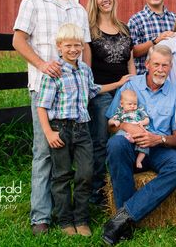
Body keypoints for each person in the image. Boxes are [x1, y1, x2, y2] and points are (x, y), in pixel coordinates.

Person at [12, 0, 91, 235]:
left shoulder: (78, 10)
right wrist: (43, 64)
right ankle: (41, 217)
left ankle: (71, 214)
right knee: (44, 151)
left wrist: (86, 79)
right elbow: (18, 40)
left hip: (74, 97)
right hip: (44, 91)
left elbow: (87, 48)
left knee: (73, 157)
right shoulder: (33, 2)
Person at [36, 23, 129, 236]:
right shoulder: (55, 72)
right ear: (59, 47)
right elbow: (41, 105)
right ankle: (65, 220)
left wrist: (119, 83)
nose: (73, 50)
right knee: (61, 175)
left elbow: (94, 90)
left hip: (82, 129)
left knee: (86, 173)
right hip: (60, 128)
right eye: (68, 45)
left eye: (77, 45)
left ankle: (81, 218)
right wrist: (49, 133)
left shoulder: (85, 70)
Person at [101, 45, 176, 246]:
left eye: (165, 65)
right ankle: (124, 221)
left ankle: (123, 217)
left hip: (158, 148)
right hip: (128, 145)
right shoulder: (131, 85)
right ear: (147, 64)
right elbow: (111, 125)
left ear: (170, 67)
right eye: (156, 64)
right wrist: (127, 126)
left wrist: (157, 140)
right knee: (115, 144)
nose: (160, 69)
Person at [85, 0, 136, 207]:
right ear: (94, 1)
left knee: (126, 137)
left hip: (124, 93)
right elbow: (87, 73)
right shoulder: (90, 30)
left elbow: (130, 62)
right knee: (101, 142)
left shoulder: (124, 27)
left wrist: (131, 87)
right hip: (101, 94)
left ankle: (120, 188)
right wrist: (116, 83)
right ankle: (97, 194)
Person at [128, 0, 176, 75]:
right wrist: (155, 41)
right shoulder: (136, 20)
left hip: (171, 79)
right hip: (145, 79)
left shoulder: (175, 19)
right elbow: (132, 53)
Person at [108, 89, 150, 169]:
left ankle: (139, 160)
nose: (133, 106)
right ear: (122, 104)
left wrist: (142, 122)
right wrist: (114, 122)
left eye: (135, 104)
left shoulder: (139, 110)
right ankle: (129, 139)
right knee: (119, 135)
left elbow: (147, 119)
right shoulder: (120, 112)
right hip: (126, 133)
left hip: (138, 131)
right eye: (129, 104)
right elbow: (109, 121)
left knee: (145, 145)